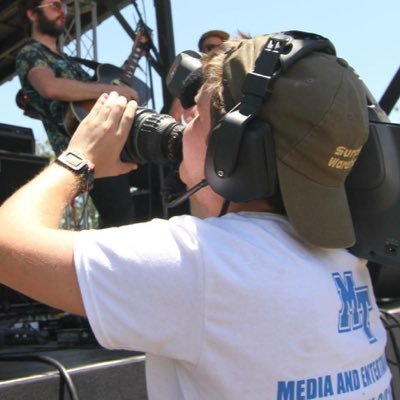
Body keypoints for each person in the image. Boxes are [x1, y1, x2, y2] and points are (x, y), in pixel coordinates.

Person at [0, 32, 393, 399]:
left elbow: (7, 244)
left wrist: (78, 158)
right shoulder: (350, 250)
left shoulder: (200, 261)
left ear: (235, 155)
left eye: (197, 119)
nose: (180, 126)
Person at [16, 0, 140, 227]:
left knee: (150, 202)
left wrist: (135, 53)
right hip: (87, 151)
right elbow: (50, 87)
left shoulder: (68, 61)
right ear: (32, 13)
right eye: (55, 5)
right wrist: (113, 89)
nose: (62, 11)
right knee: (121, 219)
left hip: (111, 142)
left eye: (64, 7)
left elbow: (92, 95)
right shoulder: (30, 53)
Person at [168, 29, 229, 123]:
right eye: (210, 47)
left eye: (221, 48)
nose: (216, 51)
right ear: (201, 52)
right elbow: (174, 117)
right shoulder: (192, 80)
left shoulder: (231, 76)